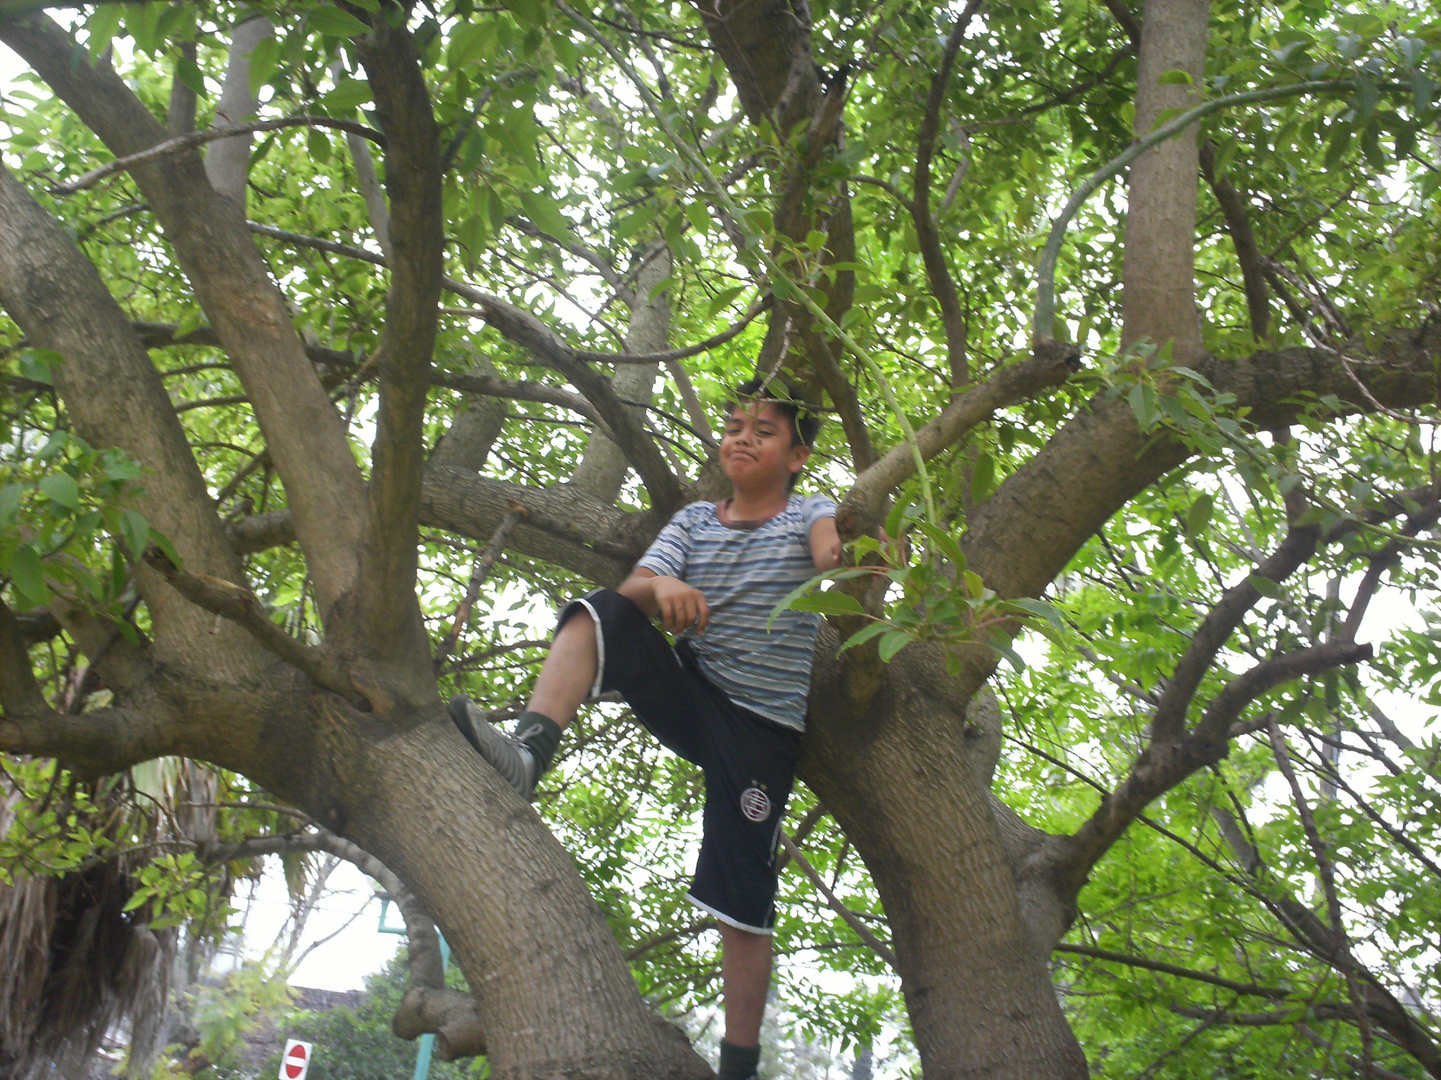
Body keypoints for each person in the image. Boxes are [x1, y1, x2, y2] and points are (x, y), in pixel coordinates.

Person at [449, 376, 842, 1080]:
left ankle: (739, 1065)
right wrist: (661, 586)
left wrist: (852, 560)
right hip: (693, 692)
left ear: (797, 456)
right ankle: (530, 755)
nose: (741, 438)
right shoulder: (693, 521)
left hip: (758, 731)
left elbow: (827, 556)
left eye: (763, 430)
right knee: (600, 608)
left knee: (740, 894)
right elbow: (637, 591)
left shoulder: (810, 510)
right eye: (733, 426)